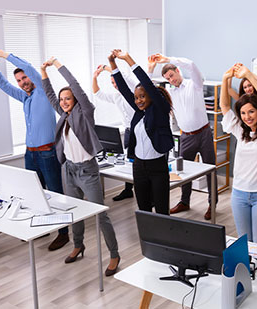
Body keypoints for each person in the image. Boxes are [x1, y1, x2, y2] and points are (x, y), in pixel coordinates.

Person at [41, 57, 120, 276]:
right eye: (62, 99)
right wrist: (43, 73)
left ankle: (114, 254)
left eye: (68, 98)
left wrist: (57, 65)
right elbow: (49, 95)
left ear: (75, 99)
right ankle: (78, 245)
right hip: (69, 170)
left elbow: (74, 85)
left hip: (87, 171)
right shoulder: (63, 115)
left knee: (100, 214)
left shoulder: (84, 112)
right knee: (73, 211)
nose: (64, 102)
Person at [0, 49, 69, 251]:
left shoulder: (43, 90)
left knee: (55, 193)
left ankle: (63, 233)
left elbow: (31, 69)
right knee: (34, 194)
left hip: (47, 152)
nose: (23, 82)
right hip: (30, 153)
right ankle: (43, 228)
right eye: (19, 80)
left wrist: (5, 56)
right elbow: (3, 85)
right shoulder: (25, 97)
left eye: (24, 77)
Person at [148, 53, 217, 220]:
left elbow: (192, 65)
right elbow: (148, 89)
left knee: (211, 170)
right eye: (167, 78)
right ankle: (184, 201)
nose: (171, 80)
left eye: (172, 75)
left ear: (177, 71)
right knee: (183, 171)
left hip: (204, 133)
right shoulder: (169, 93)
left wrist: (168, 59)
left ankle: (212, 204)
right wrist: (150, 69)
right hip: (185, 136)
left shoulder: (195, 84)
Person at [220, 63, 257, 243]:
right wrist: (225, 79)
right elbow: (224, 105)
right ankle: (247, 271)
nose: (247, 117)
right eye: (243, 113)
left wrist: (248, 74)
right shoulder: (240, 130)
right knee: (244, 241)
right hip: (239, 194)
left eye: (251, 112)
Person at [109, 50, 174, 215]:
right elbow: (123, 89)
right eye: (136, 97)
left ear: (151, 97)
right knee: (143, 210)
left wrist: (129, 59)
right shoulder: (139, 113)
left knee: (161, 212)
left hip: (157, 167)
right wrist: (113, 65)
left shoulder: (160, 110)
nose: (138, 100)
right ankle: (147, 241)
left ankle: (163, 240)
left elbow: (147, 84)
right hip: (139, 167)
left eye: (142, 96)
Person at [92, 64, 137, 201]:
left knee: (141, 162)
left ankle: (148, 192)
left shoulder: (133, 92)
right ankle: (128, 190)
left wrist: (106, 67)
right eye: (112, 83)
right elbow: (98, 93)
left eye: (116, 81)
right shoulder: (117, 96)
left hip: (140, 130)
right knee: (129, 161)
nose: (114, 85)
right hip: (129, 131)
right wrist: (95, 77)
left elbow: (122, 75)